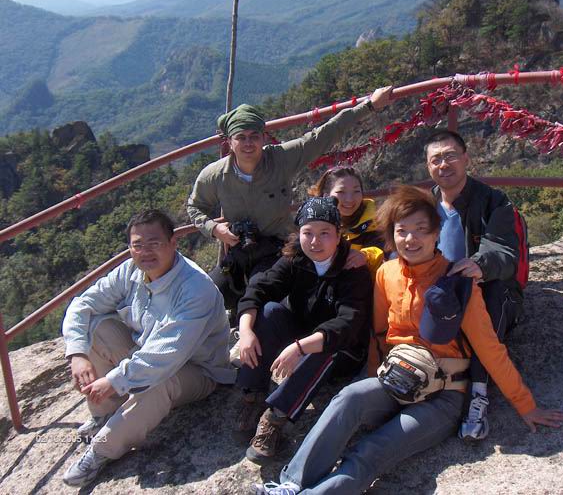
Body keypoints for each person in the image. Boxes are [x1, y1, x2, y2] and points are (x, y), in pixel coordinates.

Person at [252, 186, 563, 495]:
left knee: (371, 451)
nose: (411, 239)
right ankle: (290, 484)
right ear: (391, 236)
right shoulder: (386, 274)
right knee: (348, 400)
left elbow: (489, 349)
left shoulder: (457, 282)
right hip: (394, 380)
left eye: (421, 230)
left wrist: (526, 405)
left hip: (442, 397)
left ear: (436, 233)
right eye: (402, 231)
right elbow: (378, 336)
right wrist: (369, 383)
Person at [61, 210, 235, 487]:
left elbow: (166, 356)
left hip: (196, 370)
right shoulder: (130, 271)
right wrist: (77, 354)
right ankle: (106, 414)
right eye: (137, 245)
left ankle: (103, 448)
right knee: (96, 327)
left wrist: (114, 380)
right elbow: (83, 304)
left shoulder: (195, 288)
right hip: (145, 351)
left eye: (154, 243)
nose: (145, 252)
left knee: (160, 382)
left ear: (173, 243)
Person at [187, 87, 393, 312]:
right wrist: (214, 229)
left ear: (264, 137)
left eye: (254, 136)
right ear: (229, 142)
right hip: (239, 252)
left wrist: (369, 105)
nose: (248, 143)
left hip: (276, 248)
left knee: (260, 296)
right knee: (206, 295)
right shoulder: (215, 175)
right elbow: (195, 206)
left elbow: (322, 136)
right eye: (241, 137)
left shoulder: (281, 159)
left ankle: (249, 323)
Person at [235, 196, 373, 463]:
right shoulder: (296, 259)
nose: (315, 241)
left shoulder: (352, 269)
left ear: (338, 235)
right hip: (304, 336)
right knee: (269, 311)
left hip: (341, 352)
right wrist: (246, 331)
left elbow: (347, 324)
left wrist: (300, 347)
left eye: (325, 233)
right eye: (308, 233)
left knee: (327, 346)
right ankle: (252, 393)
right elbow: (260, 288)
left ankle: (275, 418)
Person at [424, 128, 523, 440]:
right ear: (428, 166)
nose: (444, 165)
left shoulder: (493, 201)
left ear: (466, 159)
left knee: (490, 291)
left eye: (451, 156)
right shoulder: (425, 204)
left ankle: (478, 392)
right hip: (443, 291)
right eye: (436, 160)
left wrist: (479, 265)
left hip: (484, 287)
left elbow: (505, 253)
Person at [309, 165, 385, 275]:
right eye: (341, 192)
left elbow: (381, 250)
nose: (349, 199)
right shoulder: (311, 224)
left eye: (356, 191)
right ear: (326, 196)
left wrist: (365, 257)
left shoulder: (374, 224)